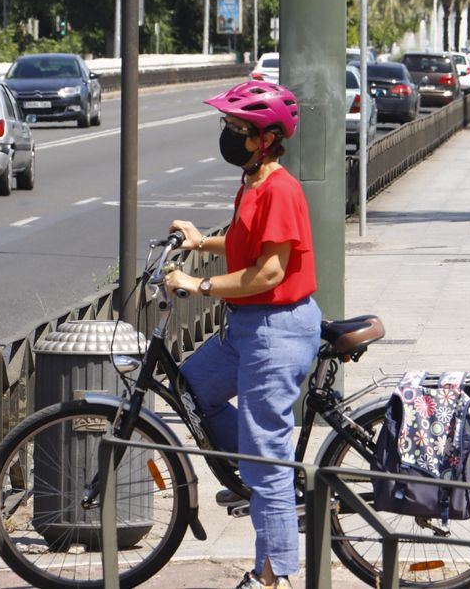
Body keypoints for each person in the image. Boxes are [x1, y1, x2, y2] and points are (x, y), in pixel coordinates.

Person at [163, 81, 320, 589]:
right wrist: (200, 241)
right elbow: (244, 243)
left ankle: (270, 575)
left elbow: (269, 273)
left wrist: (199, 283)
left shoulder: (280, 189)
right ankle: (249, 479)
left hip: (276, 331)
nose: (229, 136)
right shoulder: (253, 182)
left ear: (267, 139)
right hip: (247, 327)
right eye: (228, 127)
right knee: (191, 387)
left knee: (265, 457)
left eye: (239, 130)